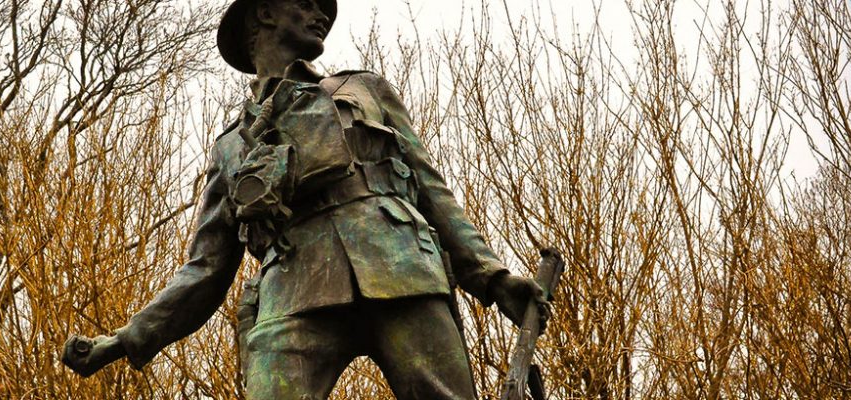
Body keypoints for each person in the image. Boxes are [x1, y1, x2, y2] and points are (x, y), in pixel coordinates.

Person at [61, 0, 550, 398]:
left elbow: (429, 186)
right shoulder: (231, 146)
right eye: (306, 3)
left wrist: (491, 277)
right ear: (264, 14)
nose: (322, 14)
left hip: (401, 270)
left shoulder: (364, 89)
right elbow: (205, 269)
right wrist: (128, 338)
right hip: (292, 292)